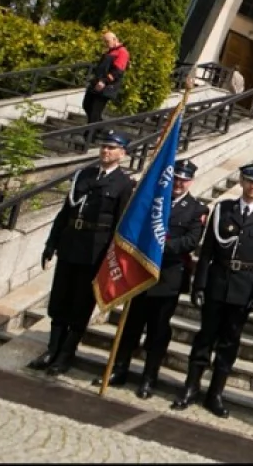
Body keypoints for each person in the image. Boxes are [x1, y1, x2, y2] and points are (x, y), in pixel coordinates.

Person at [172, 163, 253, 418]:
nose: (252, 187)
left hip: (243, 285)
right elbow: (207, 250)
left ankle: (215, 393)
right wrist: (200, 283)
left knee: (229, 343)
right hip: (218, 281)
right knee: (205, 337)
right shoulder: (223, 209)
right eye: (249, 181)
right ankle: (191, 386)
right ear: (241, 182)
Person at [30, 131, 135, 376]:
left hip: (95, 251)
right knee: (59, 300)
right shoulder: (83, 175)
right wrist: (51, 244)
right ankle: (52, 349)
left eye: (112, 148)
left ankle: (66, 354)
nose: (106, 151)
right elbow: (66, 213)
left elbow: (120, 225)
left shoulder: (124, 184)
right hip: (70, 244)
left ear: (123, 153)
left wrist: (111, 260)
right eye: (104, 146)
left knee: (80, 304)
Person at [101, 158, 207, 398]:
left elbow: (190, 242)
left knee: (157, 331)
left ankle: (149, 377)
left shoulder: (197, 210)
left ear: (191, 181)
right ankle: (120, 368)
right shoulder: (154, 203)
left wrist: (157, 246)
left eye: (184, 179)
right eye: (176, 178)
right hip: (140, 273)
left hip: (167, 277)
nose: (179, 183)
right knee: (131, 325)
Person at [82, 31, 130, 142]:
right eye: (104, 41)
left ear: (115, 39)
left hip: (107, 87)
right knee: (86, 105)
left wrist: (104, 81)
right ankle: (100, 128)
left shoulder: (122, 52)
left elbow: (118, 71)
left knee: (95, 112)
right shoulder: (110, 51)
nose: (106, 43)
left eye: (107, 41)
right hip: (96, 84)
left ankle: (89, 137)